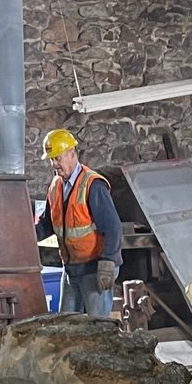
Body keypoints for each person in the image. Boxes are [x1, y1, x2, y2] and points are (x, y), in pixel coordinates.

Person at [38, 129, 123, 317]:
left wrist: (109, 261)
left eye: (57, 158)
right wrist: (24, 237)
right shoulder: (55, 186)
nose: (55, 165)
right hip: (71, 269)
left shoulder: (93, 185)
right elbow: (47, 225)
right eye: (51, 160)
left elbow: (113, 228)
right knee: (66, 325)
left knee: (96, 327)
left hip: (94, 268)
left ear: (71, 154)